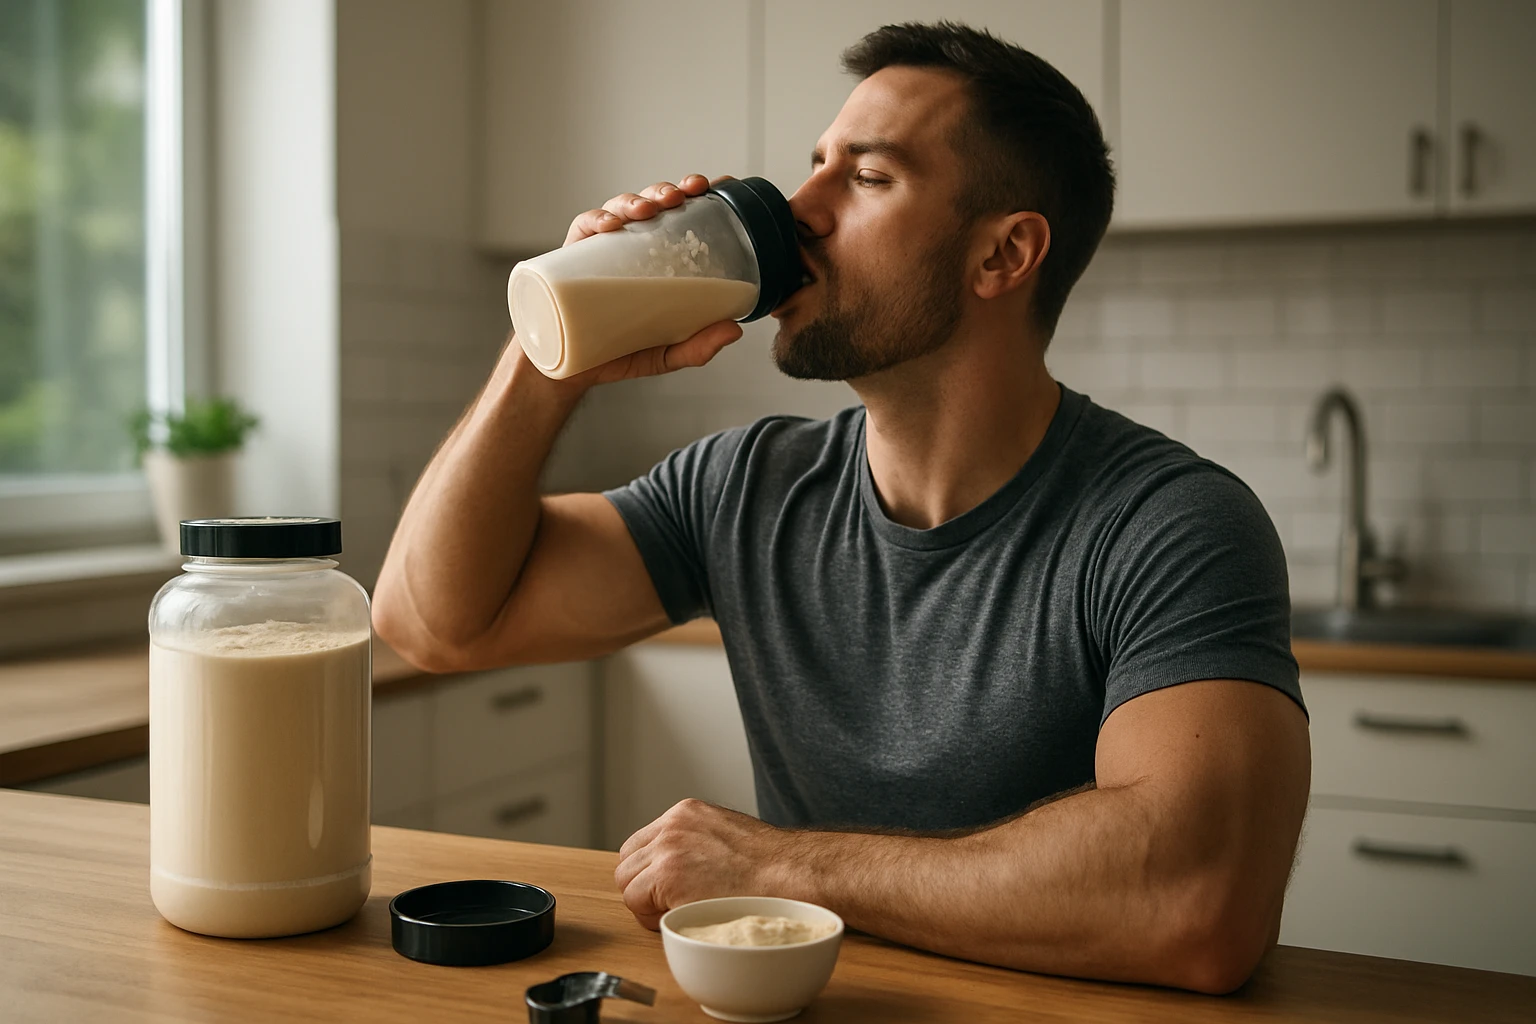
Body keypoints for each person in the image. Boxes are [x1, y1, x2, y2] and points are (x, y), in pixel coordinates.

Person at [373, 21, 1310, 995]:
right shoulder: (745, 488)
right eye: (814, 165)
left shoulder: (1170, 524)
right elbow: (434, 621)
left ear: (1003, 255)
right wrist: (549, 356)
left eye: (865, 177)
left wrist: (784, 865)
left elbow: (1201, 904)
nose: (798, 208)